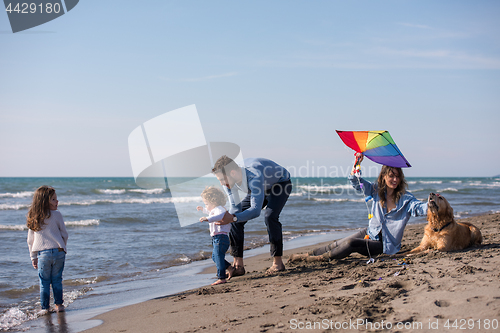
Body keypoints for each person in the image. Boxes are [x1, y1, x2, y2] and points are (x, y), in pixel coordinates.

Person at [289, 153, 427, 263]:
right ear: (384, 176)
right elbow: (356, 182)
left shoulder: (406, 199)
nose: (395, 180)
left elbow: (420, 208)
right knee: (338, 243)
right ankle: (307, 254)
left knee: (350, 243)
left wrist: (434, 203)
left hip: (384, 246)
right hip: (370, 232)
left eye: (397, 176)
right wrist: (357, 163)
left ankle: (320, 259)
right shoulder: (376, 190)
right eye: (391, 176)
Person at [212, 155, 292, 275]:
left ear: (232, 173)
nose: (222, 183)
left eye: (222, 179)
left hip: (280, 184)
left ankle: (278, 263)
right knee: (234, 219)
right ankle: (238, 266)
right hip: (260, 186)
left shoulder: (254, 176)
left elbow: (255, 211)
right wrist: (230, 218)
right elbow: (235, 208)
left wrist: (233, 217)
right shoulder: (229, 181)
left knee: (270, 216)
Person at [27, 186, 68, 314]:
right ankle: (59, 305)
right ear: (45, 201)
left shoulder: (34, 216)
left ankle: (45, 308)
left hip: (43, 253)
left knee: (44, 282)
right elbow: (64, 234)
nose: (57, 201)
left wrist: (33, 257)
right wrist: (63, 247)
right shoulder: (57, 215)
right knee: (57, 279)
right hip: (58, 252)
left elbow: (30, 240)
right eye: (54, 199)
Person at [196, 186, 232, 285]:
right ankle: (230, 268)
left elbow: (218, 216)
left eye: (206, 204)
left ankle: (222, 277)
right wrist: (203, 209)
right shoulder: (215, 209)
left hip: (221, 237)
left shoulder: (220, 209)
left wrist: (207, 219)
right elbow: (212, 213)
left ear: (214, 201)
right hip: (217, 238)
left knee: (218, 256)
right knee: (215, 257)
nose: (206, 206)